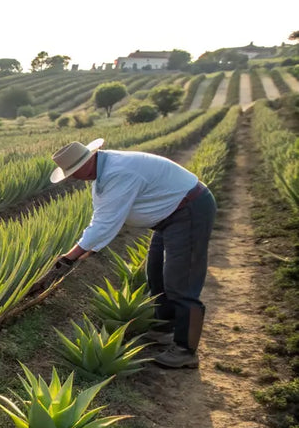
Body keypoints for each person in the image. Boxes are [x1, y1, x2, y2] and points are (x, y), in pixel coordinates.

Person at [48, 138, 216, 369]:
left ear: (87, 161)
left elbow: (105, 224)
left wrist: (69, 258)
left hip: (188, 210)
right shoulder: (103, 173)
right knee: (155, 274)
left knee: (181, 280)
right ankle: (165, 328)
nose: (73, 178)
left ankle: (185, 350)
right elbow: (102, 217)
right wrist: (87, 249)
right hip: (169, 217)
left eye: (74, 172)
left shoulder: (119, 172)